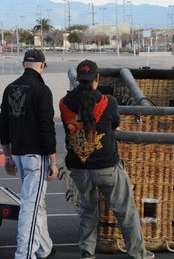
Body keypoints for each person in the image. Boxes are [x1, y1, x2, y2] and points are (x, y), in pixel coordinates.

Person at [59, 59, 155, 259]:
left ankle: (87, 250)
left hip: (79, 168)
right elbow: (114, 125)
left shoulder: (63, 103)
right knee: (125, 212)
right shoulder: (108, 102)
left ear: (78, 79)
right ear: (97, 79)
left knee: (88, 211)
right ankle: (138, 253)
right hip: (106, 167)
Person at [0, 49, 58, 258]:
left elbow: (3, 126)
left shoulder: (9, 88)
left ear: (23, 64)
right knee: (31, 207)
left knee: (34, 202)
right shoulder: (42, 91)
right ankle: (24, 254)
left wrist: (7, 156)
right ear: (42, 65)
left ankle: (44, 247)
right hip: (37, 156)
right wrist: (53, 161)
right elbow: (46, 127)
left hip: (18, 153)